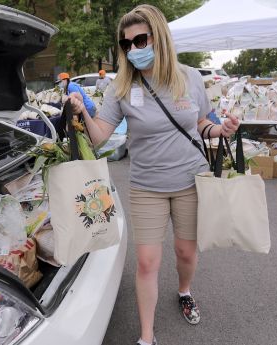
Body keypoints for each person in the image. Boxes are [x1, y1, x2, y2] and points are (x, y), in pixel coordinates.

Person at [68, 5, 239, 345]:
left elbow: (202, 124)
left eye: (141, 40)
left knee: (186, 253)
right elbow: (101, 135)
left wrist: (223, 130)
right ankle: (147, 336)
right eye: (127, 43)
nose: (134, 49)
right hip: (147, 186)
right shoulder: (121, 87)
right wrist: (81, 112)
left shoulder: (189, 77)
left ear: (159, 38)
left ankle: (184, 290)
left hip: (191, 180)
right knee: (146, 262)